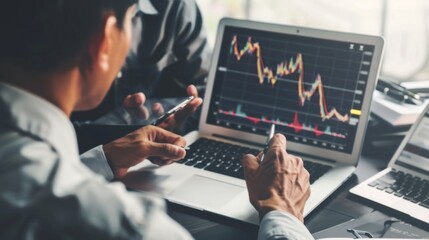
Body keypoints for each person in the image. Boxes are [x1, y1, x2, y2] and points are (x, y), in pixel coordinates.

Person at [0, 1, 314, 240]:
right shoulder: (128, 227)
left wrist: (100, 160)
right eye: (130, 20)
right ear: (104, 42)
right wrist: (282, 213)